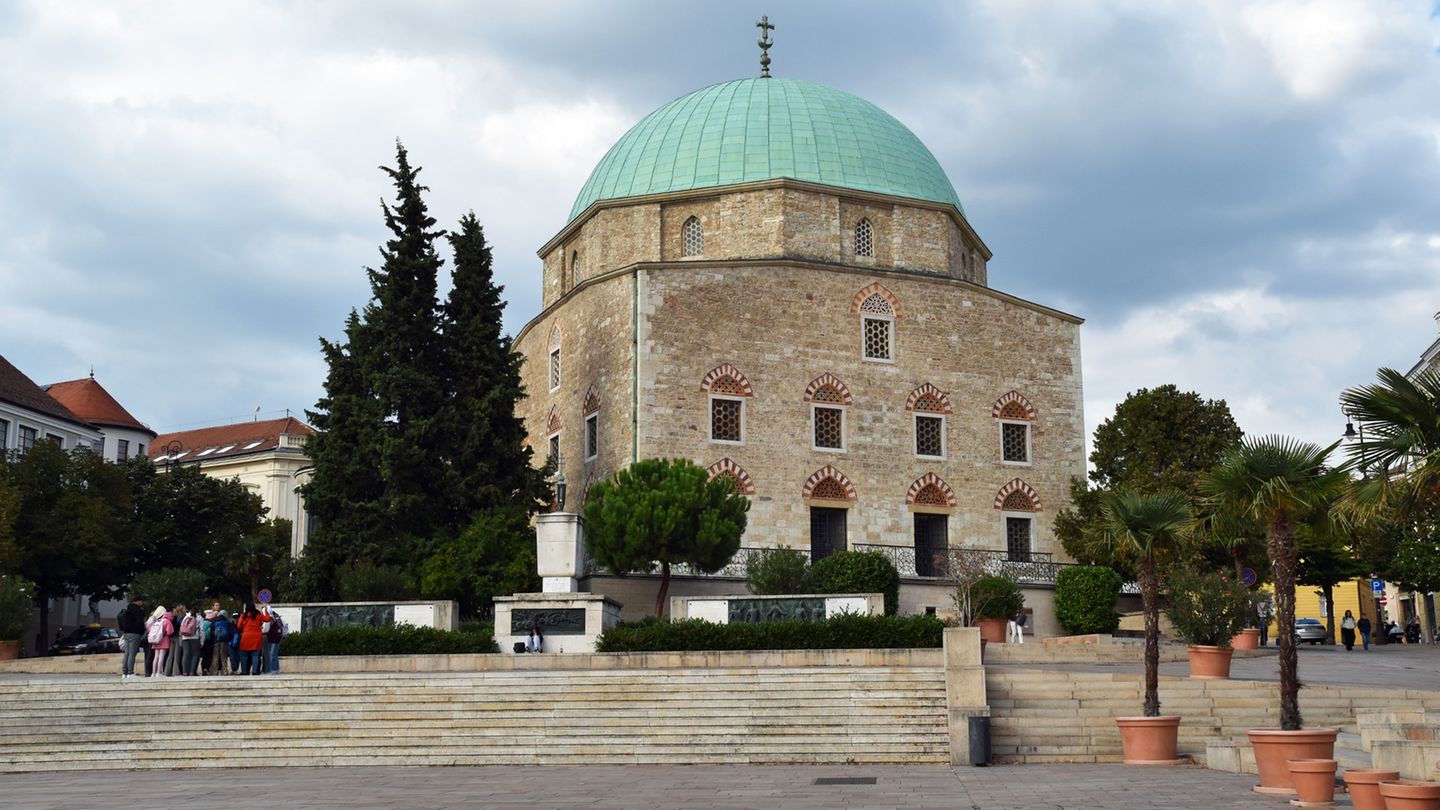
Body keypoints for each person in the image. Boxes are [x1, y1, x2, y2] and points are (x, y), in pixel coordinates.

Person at [116, 595, 146, 678]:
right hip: (135, 634)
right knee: (132, 654)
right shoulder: (137, 610)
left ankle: (124, 673)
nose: (142, 603)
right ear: (138, 601)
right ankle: (130, 672)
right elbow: (140, 622)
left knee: (127, 653)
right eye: (142, 601)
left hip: (126, 633)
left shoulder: (128, 609)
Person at [236, 601, 266, 675]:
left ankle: (244, 671)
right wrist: (266, 610)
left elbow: (239, 626)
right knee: (255, 655)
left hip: (246, 636)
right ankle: (255, 671)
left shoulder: (244, 615)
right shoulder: (259, 615)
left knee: (243, 655)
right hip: (257, 636)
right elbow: (267, 619)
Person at [144, 606, 173, 677]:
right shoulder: (167, 621)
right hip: (164, 640)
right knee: (161, 656)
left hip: (155, 641)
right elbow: (170, 632)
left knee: (156, 657)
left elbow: (149, 630)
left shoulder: (156, 621)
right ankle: (159, 673)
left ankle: (153, 673)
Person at [178, 606, 202, 675]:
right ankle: (192, 672)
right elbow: (202, 630)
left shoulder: (186, 617)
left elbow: (181, 628)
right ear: (198, 612)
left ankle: (185, 672)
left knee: (186, 654)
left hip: (185, 637)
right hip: (195, 637)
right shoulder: (199, 618)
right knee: (195, 654)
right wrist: (202, 641)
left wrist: (181, 639)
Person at [262, 607, 285, 674]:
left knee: (268, 654)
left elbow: (265, 629)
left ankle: (270, 670)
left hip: (268, 638)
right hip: (277, 638)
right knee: (274, 654)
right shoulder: (277, 618)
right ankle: (276, 669)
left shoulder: (268, 619)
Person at [209, 609, 231, 675]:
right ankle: (224, 671)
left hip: (216, 641)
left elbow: (211, 633)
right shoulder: (227, 622)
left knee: (215, 657)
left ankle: (214, 671)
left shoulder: (214, 622)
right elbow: (230, 633)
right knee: (223, 656)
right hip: (224, 642)